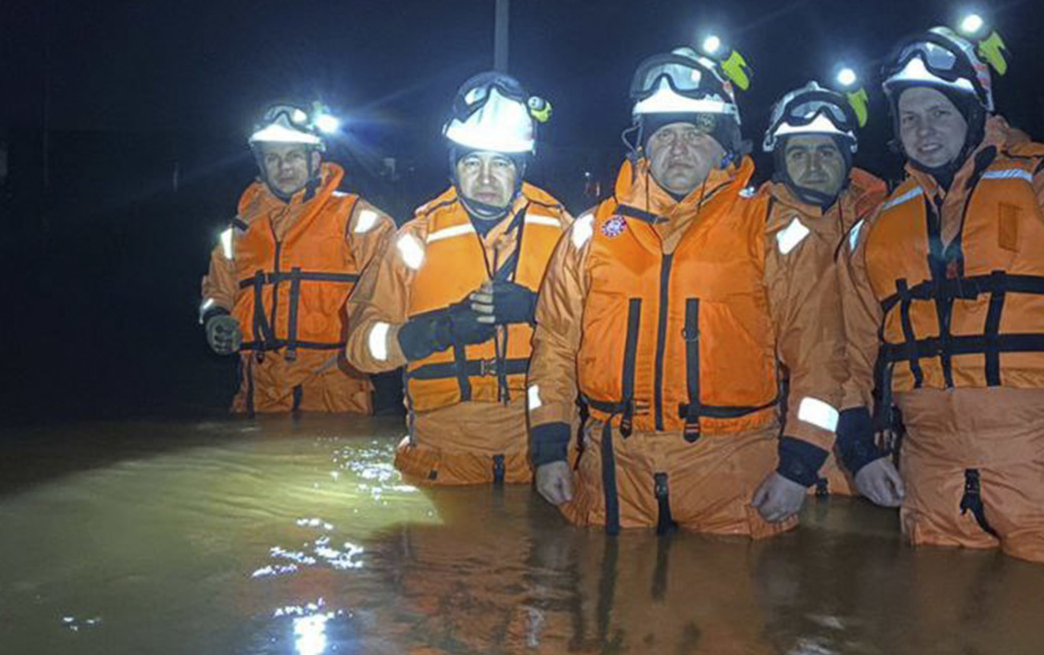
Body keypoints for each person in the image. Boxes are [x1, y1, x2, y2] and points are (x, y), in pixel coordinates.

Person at [834, 23, 1044, 565]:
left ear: (974, 112)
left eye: (940, 112)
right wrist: (858, 453)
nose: (925, 130)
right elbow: (842, 354)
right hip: (932, 481)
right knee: (926, 643)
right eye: (910, 117)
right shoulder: (874, 228)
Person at [526, 44, 844, 536]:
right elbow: (553, 350)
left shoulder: (775, 232)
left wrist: (797, 469)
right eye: (665, 135)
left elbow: (821, 358)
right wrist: (549, 451)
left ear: (724, 145)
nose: (678, 149)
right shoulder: (590, 234)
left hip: (738, 479)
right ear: (643, 147)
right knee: (607, 603)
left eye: (696, 134)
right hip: (613, 476)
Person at [344, 72, 571, 485]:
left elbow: (604, 341)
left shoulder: (563, 235)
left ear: (520, 168)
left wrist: (537, 309)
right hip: (440, 465)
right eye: (472, 162)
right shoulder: (413, 241)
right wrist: (439, 329)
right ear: (454, 167)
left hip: (542, 464)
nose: (486, 178)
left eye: (500, 163)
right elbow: (361, 349)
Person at [200, 102, 393, 415]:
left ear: (315, 158)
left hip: (335, 394)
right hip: (258, 395)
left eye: (293, 156)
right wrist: (215, 318)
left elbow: (395, 289)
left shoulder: (358, 219)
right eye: (273, 158)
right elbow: (215, 292)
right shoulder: (239, 231)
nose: (283, 167)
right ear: (261, 165)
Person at [757, 80, 890, 496]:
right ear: (779, 160)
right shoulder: (748, 231)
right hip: (780, 464)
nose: (813, 166)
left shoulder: (883, 224)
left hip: (877, 461)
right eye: (798, 152)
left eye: (827, 151)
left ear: (848, 158)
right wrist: (855, 447)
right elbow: (821, 350)